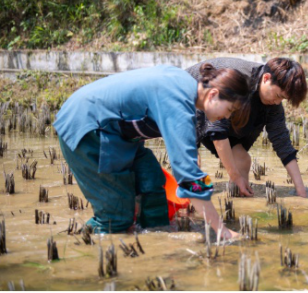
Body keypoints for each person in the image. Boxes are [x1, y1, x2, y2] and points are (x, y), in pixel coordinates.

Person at [55, 64, 251, 237]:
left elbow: (193, 172)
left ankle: (153, 240)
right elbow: (189, 176)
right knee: (115, 219)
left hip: (120, 137)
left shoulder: (184, 86)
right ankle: (85, 241)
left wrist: (204, 188)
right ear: (214, 94)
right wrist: (221, 230)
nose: (226, 117)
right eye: (230, 110)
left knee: (153, 184)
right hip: (88, 127)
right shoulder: (178, 101)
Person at [186, 57, 308, 197]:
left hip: (217, 115)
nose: (277, 102)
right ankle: (189, 206)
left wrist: (301, 192)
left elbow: (283, 143)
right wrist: (235, 176)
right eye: (278, 95)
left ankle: (236, 205)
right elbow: (218, 132)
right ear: (266, 78)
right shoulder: (238, 80)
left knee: (242, 160)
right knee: (193, 165)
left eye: (282, 99)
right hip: (192, 104)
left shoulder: (272, 103)